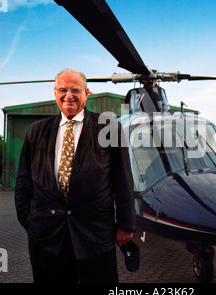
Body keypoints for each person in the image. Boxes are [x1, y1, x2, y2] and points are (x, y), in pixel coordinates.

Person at [15, 68, 135, 283]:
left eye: (75, 90)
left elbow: (122, 179)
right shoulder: (36, 131)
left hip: (95, 235)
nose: (68, 95)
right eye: (63, 89)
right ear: (55, 93)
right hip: (47, 237)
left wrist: (125, 224)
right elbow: (24, 181)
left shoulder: (109, 127)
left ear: (86, 93)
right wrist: (29, 221)